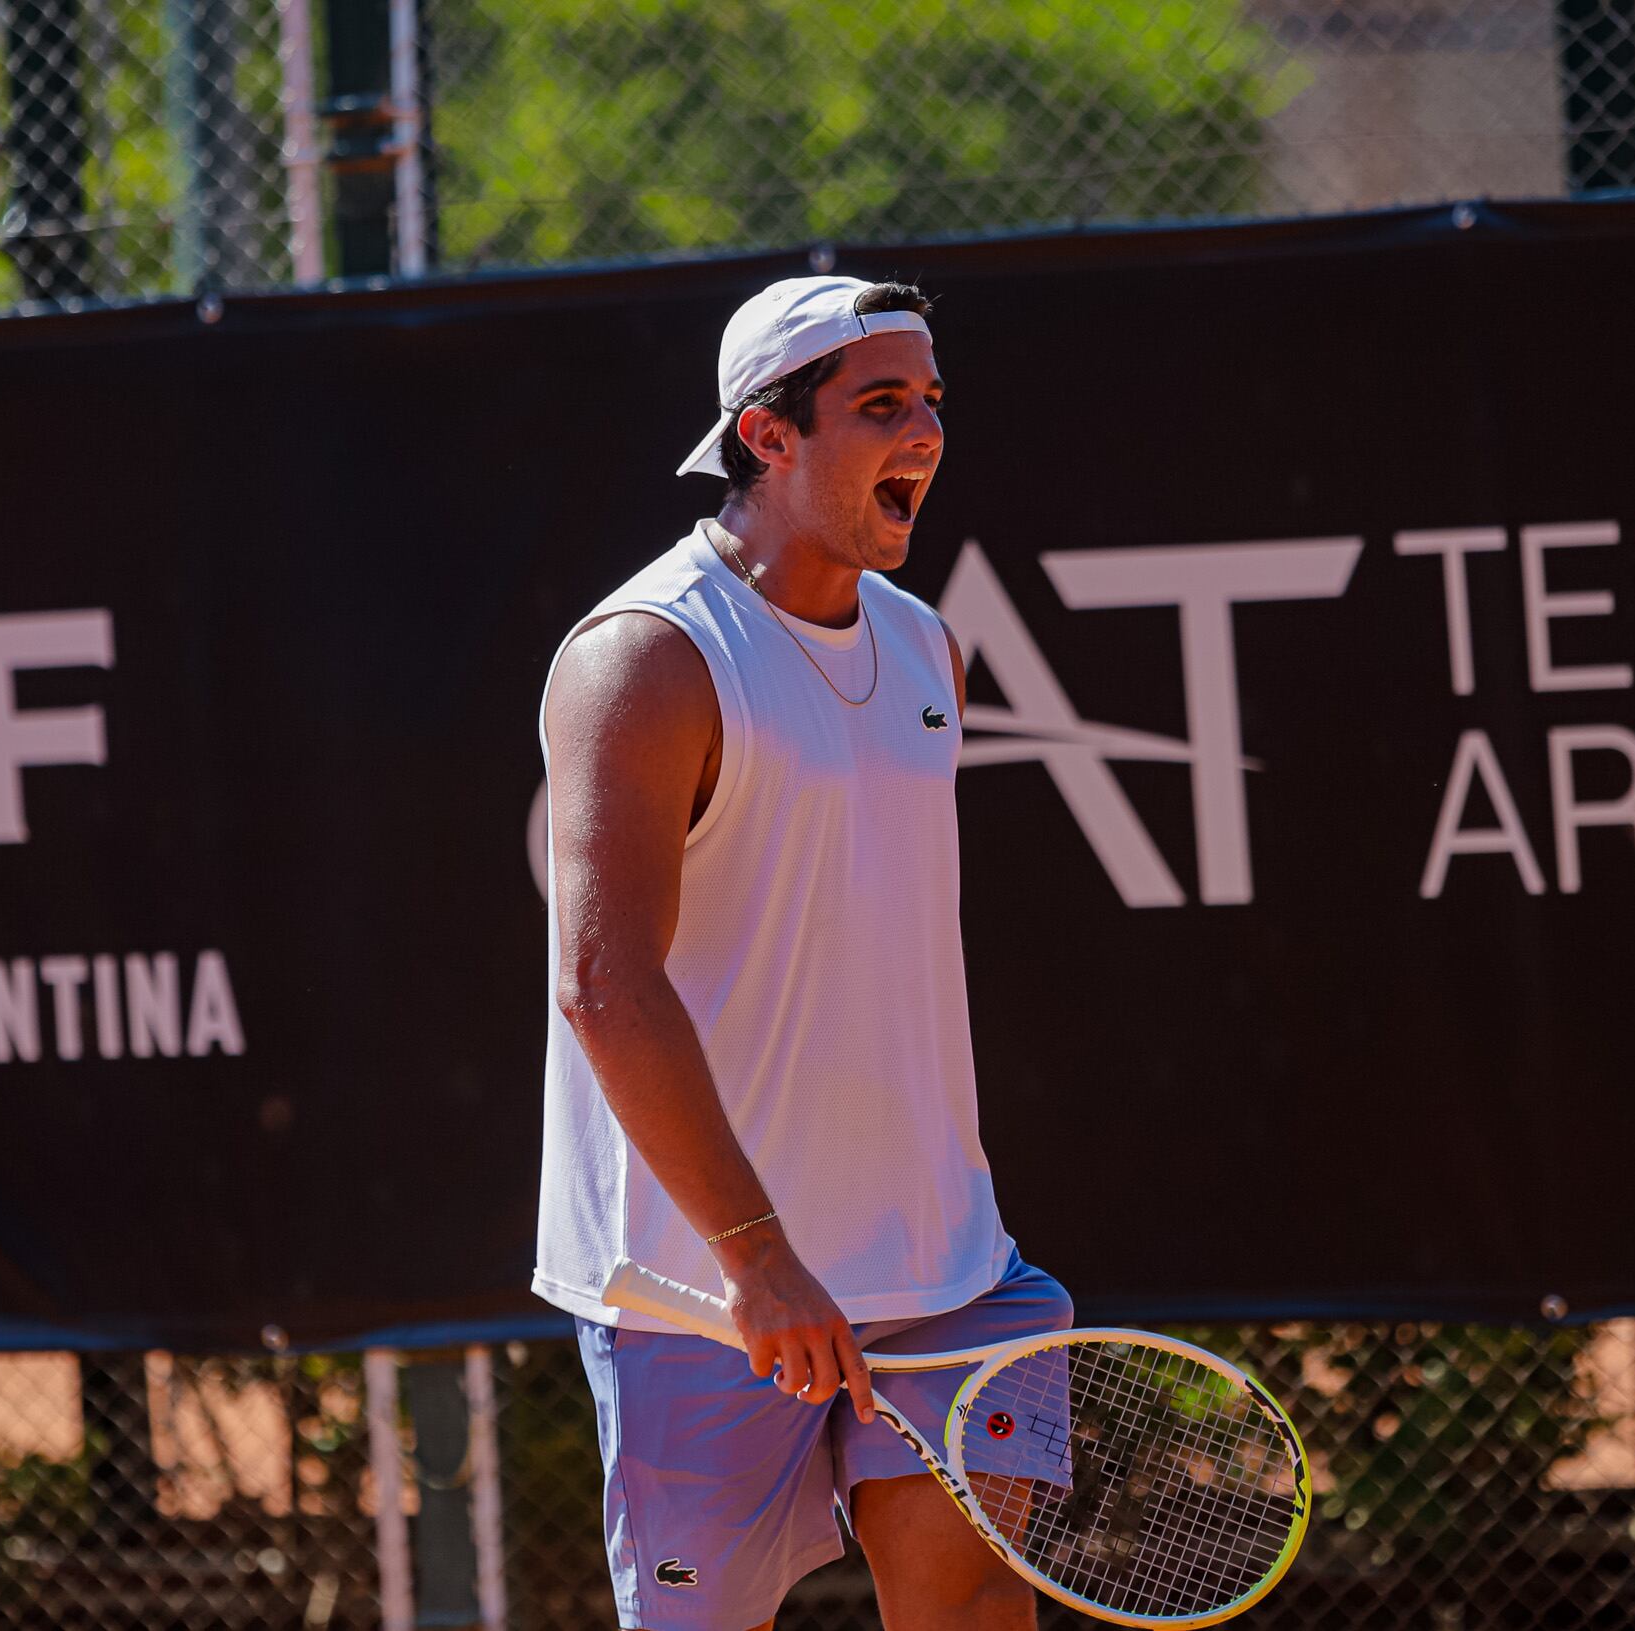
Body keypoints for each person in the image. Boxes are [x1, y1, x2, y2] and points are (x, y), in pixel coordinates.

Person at [534, 275, 1071, 1631]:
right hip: (705, 1290)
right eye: (879, 405)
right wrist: (759, 1256)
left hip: (947, 1272)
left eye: (932, 404)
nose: (925, 435)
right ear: (766, 438)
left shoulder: (928, 649)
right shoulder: (647, 660)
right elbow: (603, 984)